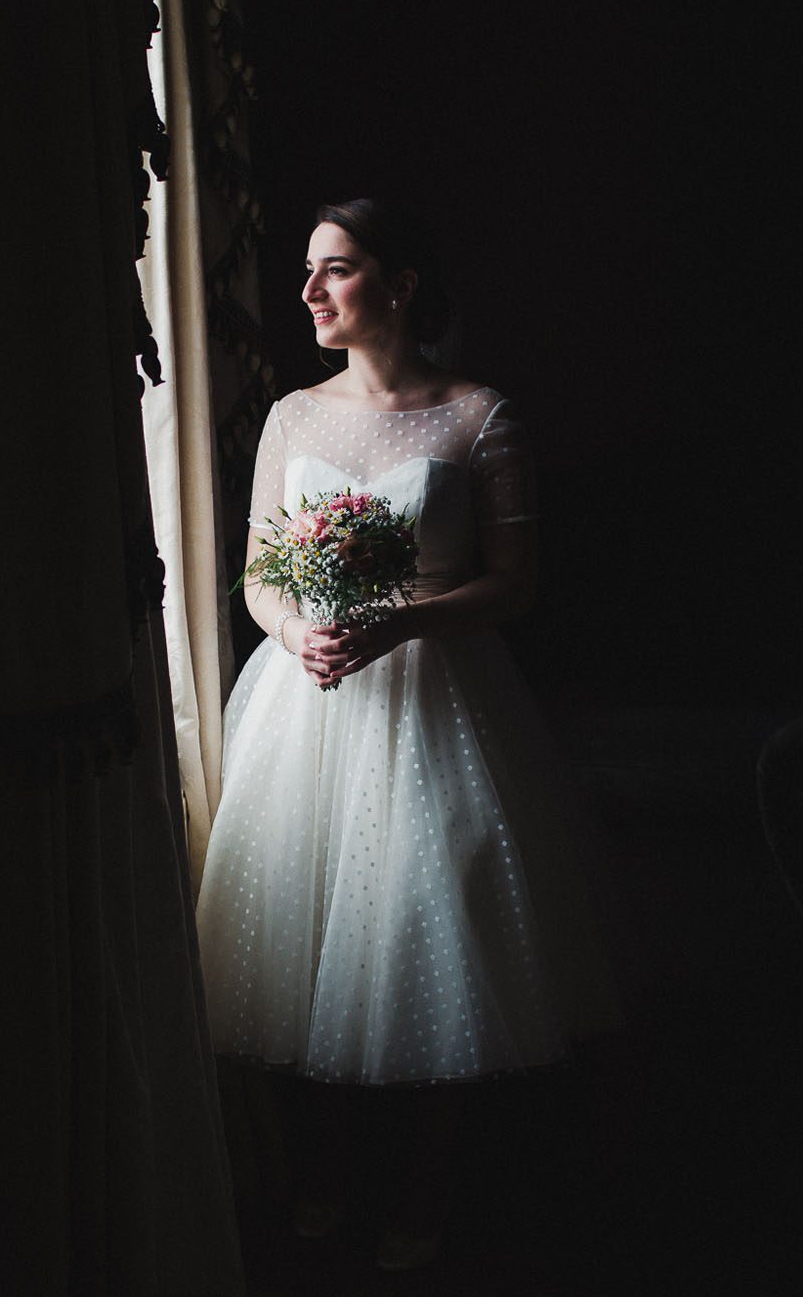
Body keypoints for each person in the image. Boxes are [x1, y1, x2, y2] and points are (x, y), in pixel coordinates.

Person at [194, 198, 616, 1272]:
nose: (307, 294)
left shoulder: (478, 417)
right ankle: (325, 1169)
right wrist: (297, 629)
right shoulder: (290, 417)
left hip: (439, 700)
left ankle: (426, 1183)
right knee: (312, 932)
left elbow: (512, 587)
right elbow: (253, 575)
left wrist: (397, 623)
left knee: (430, 931)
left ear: (400, 284)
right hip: (310, 699)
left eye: (333, 270)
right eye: (304, 272)